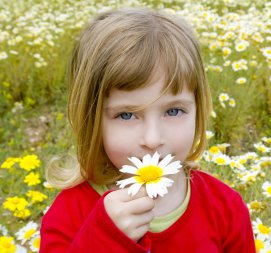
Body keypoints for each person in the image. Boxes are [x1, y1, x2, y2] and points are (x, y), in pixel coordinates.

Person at [40, 7, 255, 252]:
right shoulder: (69, 215)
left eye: (173, 111)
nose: (152, 139)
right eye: (127, 115)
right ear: (92, 120)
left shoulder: (226, 208)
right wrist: (104, 239)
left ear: (199, 109)